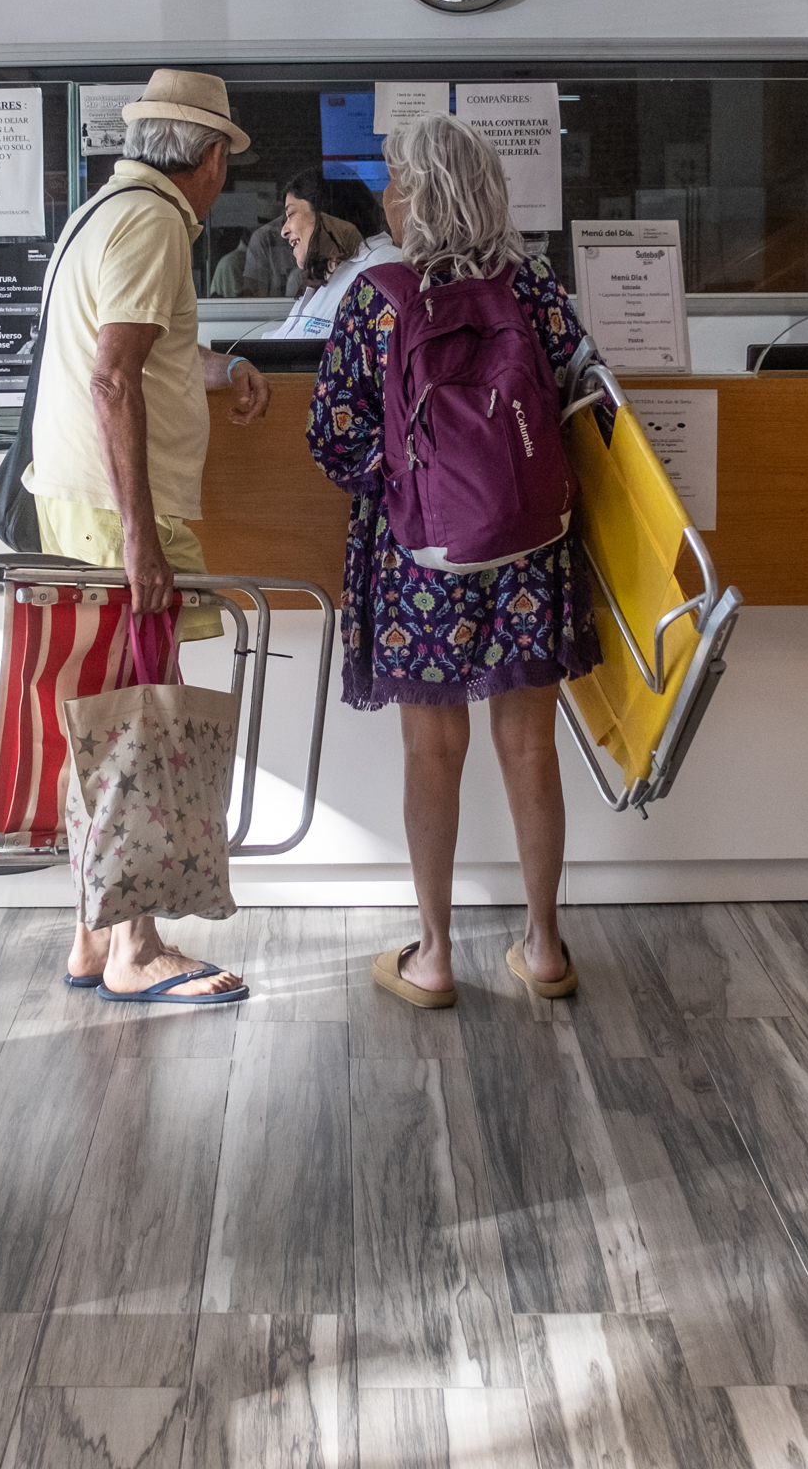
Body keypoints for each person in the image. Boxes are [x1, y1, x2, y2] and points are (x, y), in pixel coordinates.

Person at [306, 113, 600, 1008]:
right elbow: (586, 407)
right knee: (531, 745)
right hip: (530, 548)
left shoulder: (377, 296)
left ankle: (433, 957)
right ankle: (543, 947)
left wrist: (413, 480)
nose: (386, 196)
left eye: (396, 181)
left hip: (418, 557)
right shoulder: (534, 289)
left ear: (423, 195)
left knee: (432, 749)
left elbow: (334, 439)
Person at [28, 68, 274, 1004]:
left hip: (82, 499)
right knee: (136, 718)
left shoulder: (105, 211)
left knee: (102, 719)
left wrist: (223, 367)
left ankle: (92, 938)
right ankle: (136, 946)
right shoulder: (155, 223)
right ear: (209, 159)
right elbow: (112, 378)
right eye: (225, 163)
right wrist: (141, 537)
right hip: (113, 509)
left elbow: (144, 353)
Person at [271, 168, 400, 341]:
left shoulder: (385, 267)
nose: (284, 231)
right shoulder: (330, 272)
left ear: (326, 212)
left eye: (291, 214)